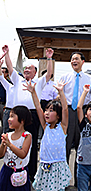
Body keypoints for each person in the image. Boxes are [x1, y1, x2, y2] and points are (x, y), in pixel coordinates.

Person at [2, 44, 54, 182]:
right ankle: (10, 169)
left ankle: (30, 174)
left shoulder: (39, 82)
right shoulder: (17, 80)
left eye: (29, 68)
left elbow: (49, 74)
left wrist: (49, 59)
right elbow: (11, 68)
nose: (26, 70)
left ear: (35, 72)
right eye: (25, 68)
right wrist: (6, 53)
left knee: (29, 144)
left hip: (32, 114)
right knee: (13, 141)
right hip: (18, 113)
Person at [24, 79, 72, 191]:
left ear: (58, 115)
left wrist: (61, 92)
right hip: (44, 165)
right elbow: (38, 108)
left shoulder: (62, 127)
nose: (46, 113)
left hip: (57, 166)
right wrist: (33, 92)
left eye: (51, 110)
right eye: (46, 110)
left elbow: (65, 109)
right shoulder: (45, 127)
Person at [60, 51, 91, 187]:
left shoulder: (90, 78)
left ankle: (79, 182)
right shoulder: (64, 77)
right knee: (65, 147)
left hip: (83, 113)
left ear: (83, 61)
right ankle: (62, 181)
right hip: (68, 113)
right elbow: (60, 96)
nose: (73, 61)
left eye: (76, 59)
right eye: (72, 59)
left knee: (81, 147)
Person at [0, 105, 32, 191]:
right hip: (6, 171)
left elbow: (23, 154)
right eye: (9, 116)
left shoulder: (27, 136)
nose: (9, 119)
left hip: (20, 172)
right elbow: (1, 155)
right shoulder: (8, 135)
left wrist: (9, 144)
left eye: (12, 116)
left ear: (22, 120)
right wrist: (3, 144)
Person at [0, 62, 14, 134]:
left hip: (4, 105)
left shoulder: (9, 84)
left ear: (6, 74)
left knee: (4, 123)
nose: (1, 73)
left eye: (3, 72)